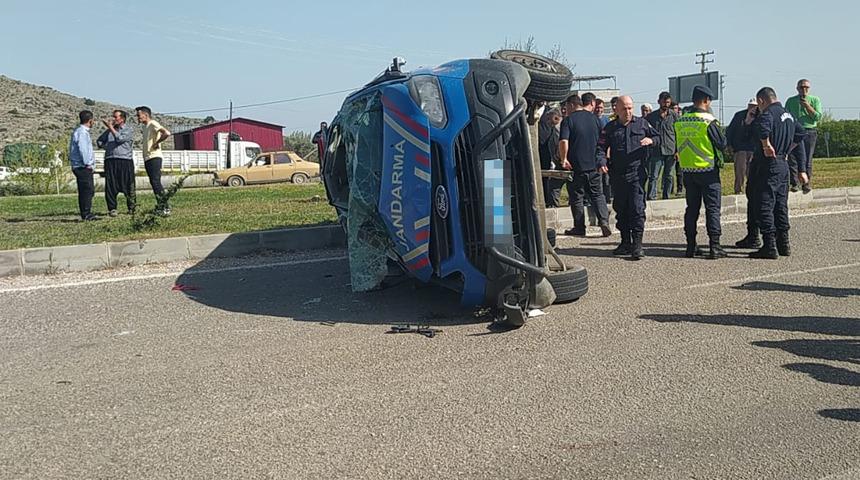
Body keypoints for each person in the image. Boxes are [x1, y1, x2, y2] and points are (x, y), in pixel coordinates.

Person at [748, 87, 807, 259]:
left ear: (761, 101)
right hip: (783, 163)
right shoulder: (788, 114)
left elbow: (762, 128)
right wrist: (788, 149)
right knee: (781, 205)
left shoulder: (767, 114)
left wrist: (766, 145)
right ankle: (784, 244)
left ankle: (769, 246)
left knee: (764, 203)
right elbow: (801, 133)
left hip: (769, 164)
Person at [597, 96, 660, 260]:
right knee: (621, 209)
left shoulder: (642, 124)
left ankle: (637, 245)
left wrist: (651, 140)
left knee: (637, 209)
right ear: (616, 109)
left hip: (637, 174)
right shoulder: (610, 128)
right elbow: (601, 147)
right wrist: (602, 161)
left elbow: (659, 138)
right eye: (624, 108)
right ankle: (625, 242)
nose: (628, 111)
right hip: (618, 174)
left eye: (630, 108)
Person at [674, 86, 728, 259]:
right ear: (706, 100)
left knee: (691, 210)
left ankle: (691, 246)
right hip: (708, 171)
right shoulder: (708, 121)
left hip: (688, 171)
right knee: (712, 209)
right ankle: (715, 246)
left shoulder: (680, 121)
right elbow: (722, 143)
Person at [559, 92, 612, 237]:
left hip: (576, 166)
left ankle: (579, 227)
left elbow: (564, 141)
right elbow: (602, 140)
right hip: (594, 164)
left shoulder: (568, 120)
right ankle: (604, 222)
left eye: (566, 107)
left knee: (577, 197)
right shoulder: (595, 119)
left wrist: (563, 159)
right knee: (598, 195)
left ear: (571, 105)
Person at [784, 78, 822, 193]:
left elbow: (817, 117)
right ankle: (794, 183)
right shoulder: (791, 101)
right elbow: (786, 116)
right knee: (792, 158)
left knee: (807, 159)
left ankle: (806, 183)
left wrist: (807, 106)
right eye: (801, 87)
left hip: (809, 131)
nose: (804, 90)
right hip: (795, 132)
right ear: (797, 88)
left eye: (806, 87)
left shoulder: (815, 100)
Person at [97, 110, 135, 216]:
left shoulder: (128, 130)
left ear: (122, 119)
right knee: (111, 185)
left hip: (124, 160)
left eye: (115, 117)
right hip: (110, 160)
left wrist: (110, 128)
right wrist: (108, 147)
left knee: (128, 184)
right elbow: (99, 141)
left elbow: (119, 139)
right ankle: (112, 208)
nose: (113, 119)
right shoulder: (109, 131)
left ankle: (131, 207)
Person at [136, 106, 172, 215]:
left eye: (139, 115)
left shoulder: (153, 123)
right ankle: (161, 205)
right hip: (148, 158)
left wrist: (157, 143)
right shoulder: (145, 127)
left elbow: (166, 133)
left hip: (154, 157)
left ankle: (165, 206)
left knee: (156, 181)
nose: (137, 118)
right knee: (153, 182)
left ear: (145, 115)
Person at [645, 92, 680, 200]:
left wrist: (678, 150)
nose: (666, 104)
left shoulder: (674, 116)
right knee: (653, 176)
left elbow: (679, 133)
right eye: (664, 102)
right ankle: (651, 197)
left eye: (668, 102)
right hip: (656, 150)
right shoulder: (651, 117)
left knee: (669, 175)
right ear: (659, 102)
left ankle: (666, 197)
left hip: (671, 150)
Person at [726, 99, 758, 194]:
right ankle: (738, 190)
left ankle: (752, 191)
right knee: (740, 172)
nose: (753, 108)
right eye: (751, 105)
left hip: (753, 149)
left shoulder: (760, 117)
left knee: (752, 173)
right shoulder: (739, 115)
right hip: (740, 148)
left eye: (755, 106)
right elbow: (730, 130)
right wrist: (729, 145)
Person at [69, 110, 97, 221]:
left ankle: (86, 212)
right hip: (82, 166)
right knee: (87, 190)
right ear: (90, 121)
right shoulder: (82, 133)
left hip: (81, 166)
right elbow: (83, 149)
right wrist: (88, 164)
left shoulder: (80, 131)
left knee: (88, 189)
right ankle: (86, 213)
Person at [539, 108, 563, 207]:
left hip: (556, 156)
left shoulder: (560, 126)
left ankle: (550, 202)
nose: (549, 123)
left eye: (550, 121)